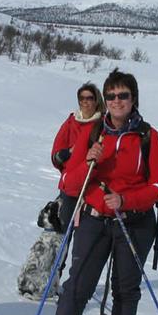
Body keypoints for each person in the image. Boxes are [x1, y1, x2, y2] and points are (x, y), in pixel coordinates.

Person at [40, 69, 158, 315]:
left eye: (123, 95)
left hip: (134, 222)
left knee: (126, 290)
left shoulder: (148, 137)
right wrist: (87, 163)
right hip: (96, 219)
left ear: (133, 98)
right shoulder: (93, 132)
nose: (116, 101)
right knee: (79, 285)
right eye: (110, 95)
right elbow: (70, 183)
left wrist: (126, 200)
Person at [49, 82, 105, 230]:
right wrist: (68, 153)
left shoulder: (103, 123)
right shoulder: (71, 121)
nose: (85, 101)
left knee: (84, 238)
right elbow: (56, 153)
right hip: (70, 186)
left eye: (89, 98)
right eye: (82, 98)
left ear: (97, 100)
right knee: (62, 232)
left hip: (91, 188)